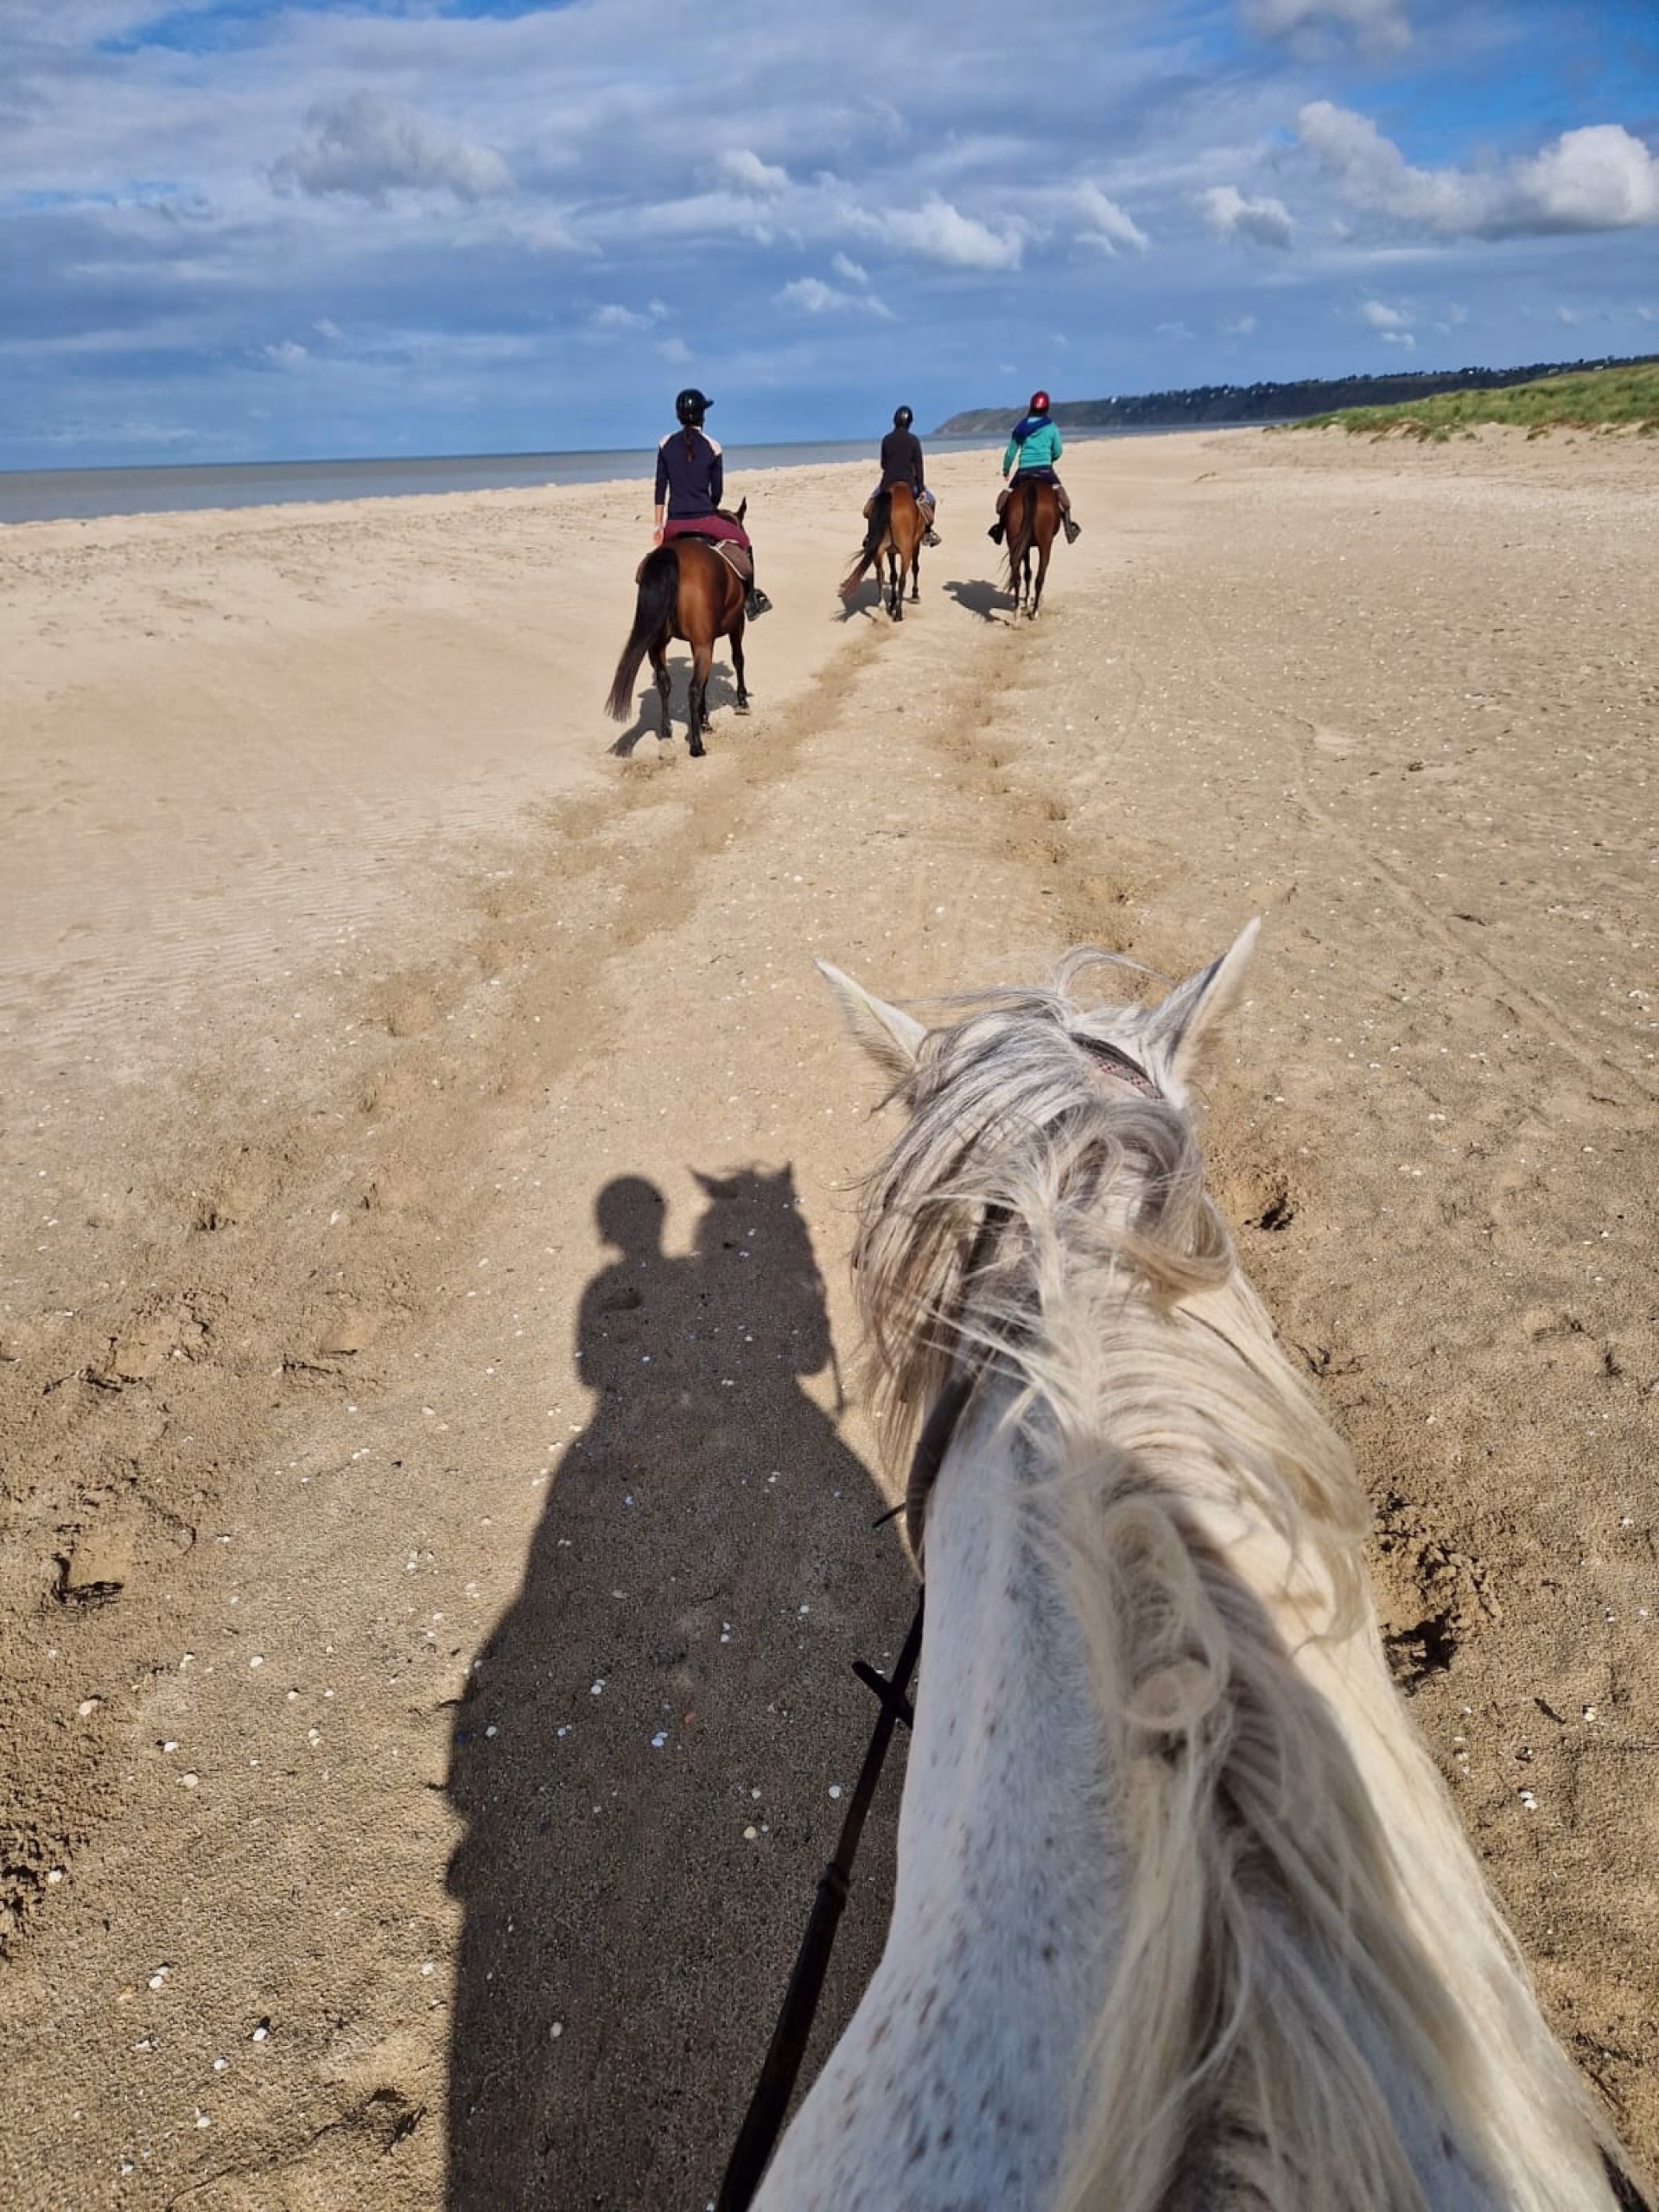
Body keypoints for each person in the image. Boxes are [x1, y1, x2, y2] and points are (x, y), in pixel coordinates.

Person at [653, 389, 771, 618]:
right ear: (702, 416)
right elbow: (716, 493)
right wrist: (707, 506)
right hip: (705, 520)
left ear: (678, 416)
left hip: (674, 524)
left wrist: (659, 526)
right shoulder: (713, 447)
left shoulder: (665, 443)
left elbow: (660, 489)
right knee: (744, 540)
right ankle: (751, 601)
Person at [988, 389, 1080, 545]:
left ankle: (999, 529)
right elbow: (1058, 450)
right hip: (1045, 470)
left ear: (1031, 407)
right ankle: (1069, 529)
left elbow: (1011, 452)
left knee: (1005, 501)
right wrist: (1050, 459)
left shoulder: (1021, 427)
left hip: (1023, 471)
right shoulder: (1051, 427)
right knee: (1064, 499)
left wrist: (1006, 469)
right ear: (1046, 408)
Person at [863, 405, 940, 546]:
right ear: (909, 423)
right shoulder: (914, 440)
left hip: (887, 484)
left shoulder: (886, 439)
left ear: (895, 421)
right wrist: (921, 488)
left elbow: (883, 464)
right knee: (932, 500)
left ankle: (870, 535)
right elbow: (918, 467)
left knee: (870, 508)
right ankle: (928, 532)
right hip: (909, 484)